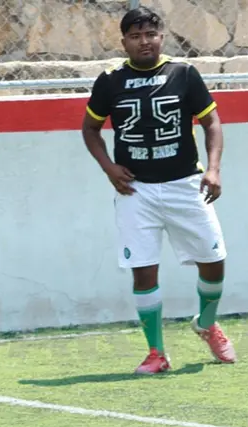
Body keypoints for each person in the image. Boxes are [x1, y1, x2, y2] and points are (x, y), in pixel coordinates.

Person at [82, 6, 236, 374]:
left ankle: (206, 323)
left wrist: (213, 169)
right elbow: (90, 128)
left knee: (214, 263)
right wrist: (108, 167)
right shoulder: (110, 80)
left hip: (185, 184)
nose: (144, 42)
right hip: (137, 191)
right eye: (135, 36)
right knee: (143, 270)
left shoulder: (183, 74)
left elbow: (211, 121)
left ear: (161, 37)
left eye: (150, 34)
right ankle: (157, 353)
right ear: (124, 42)